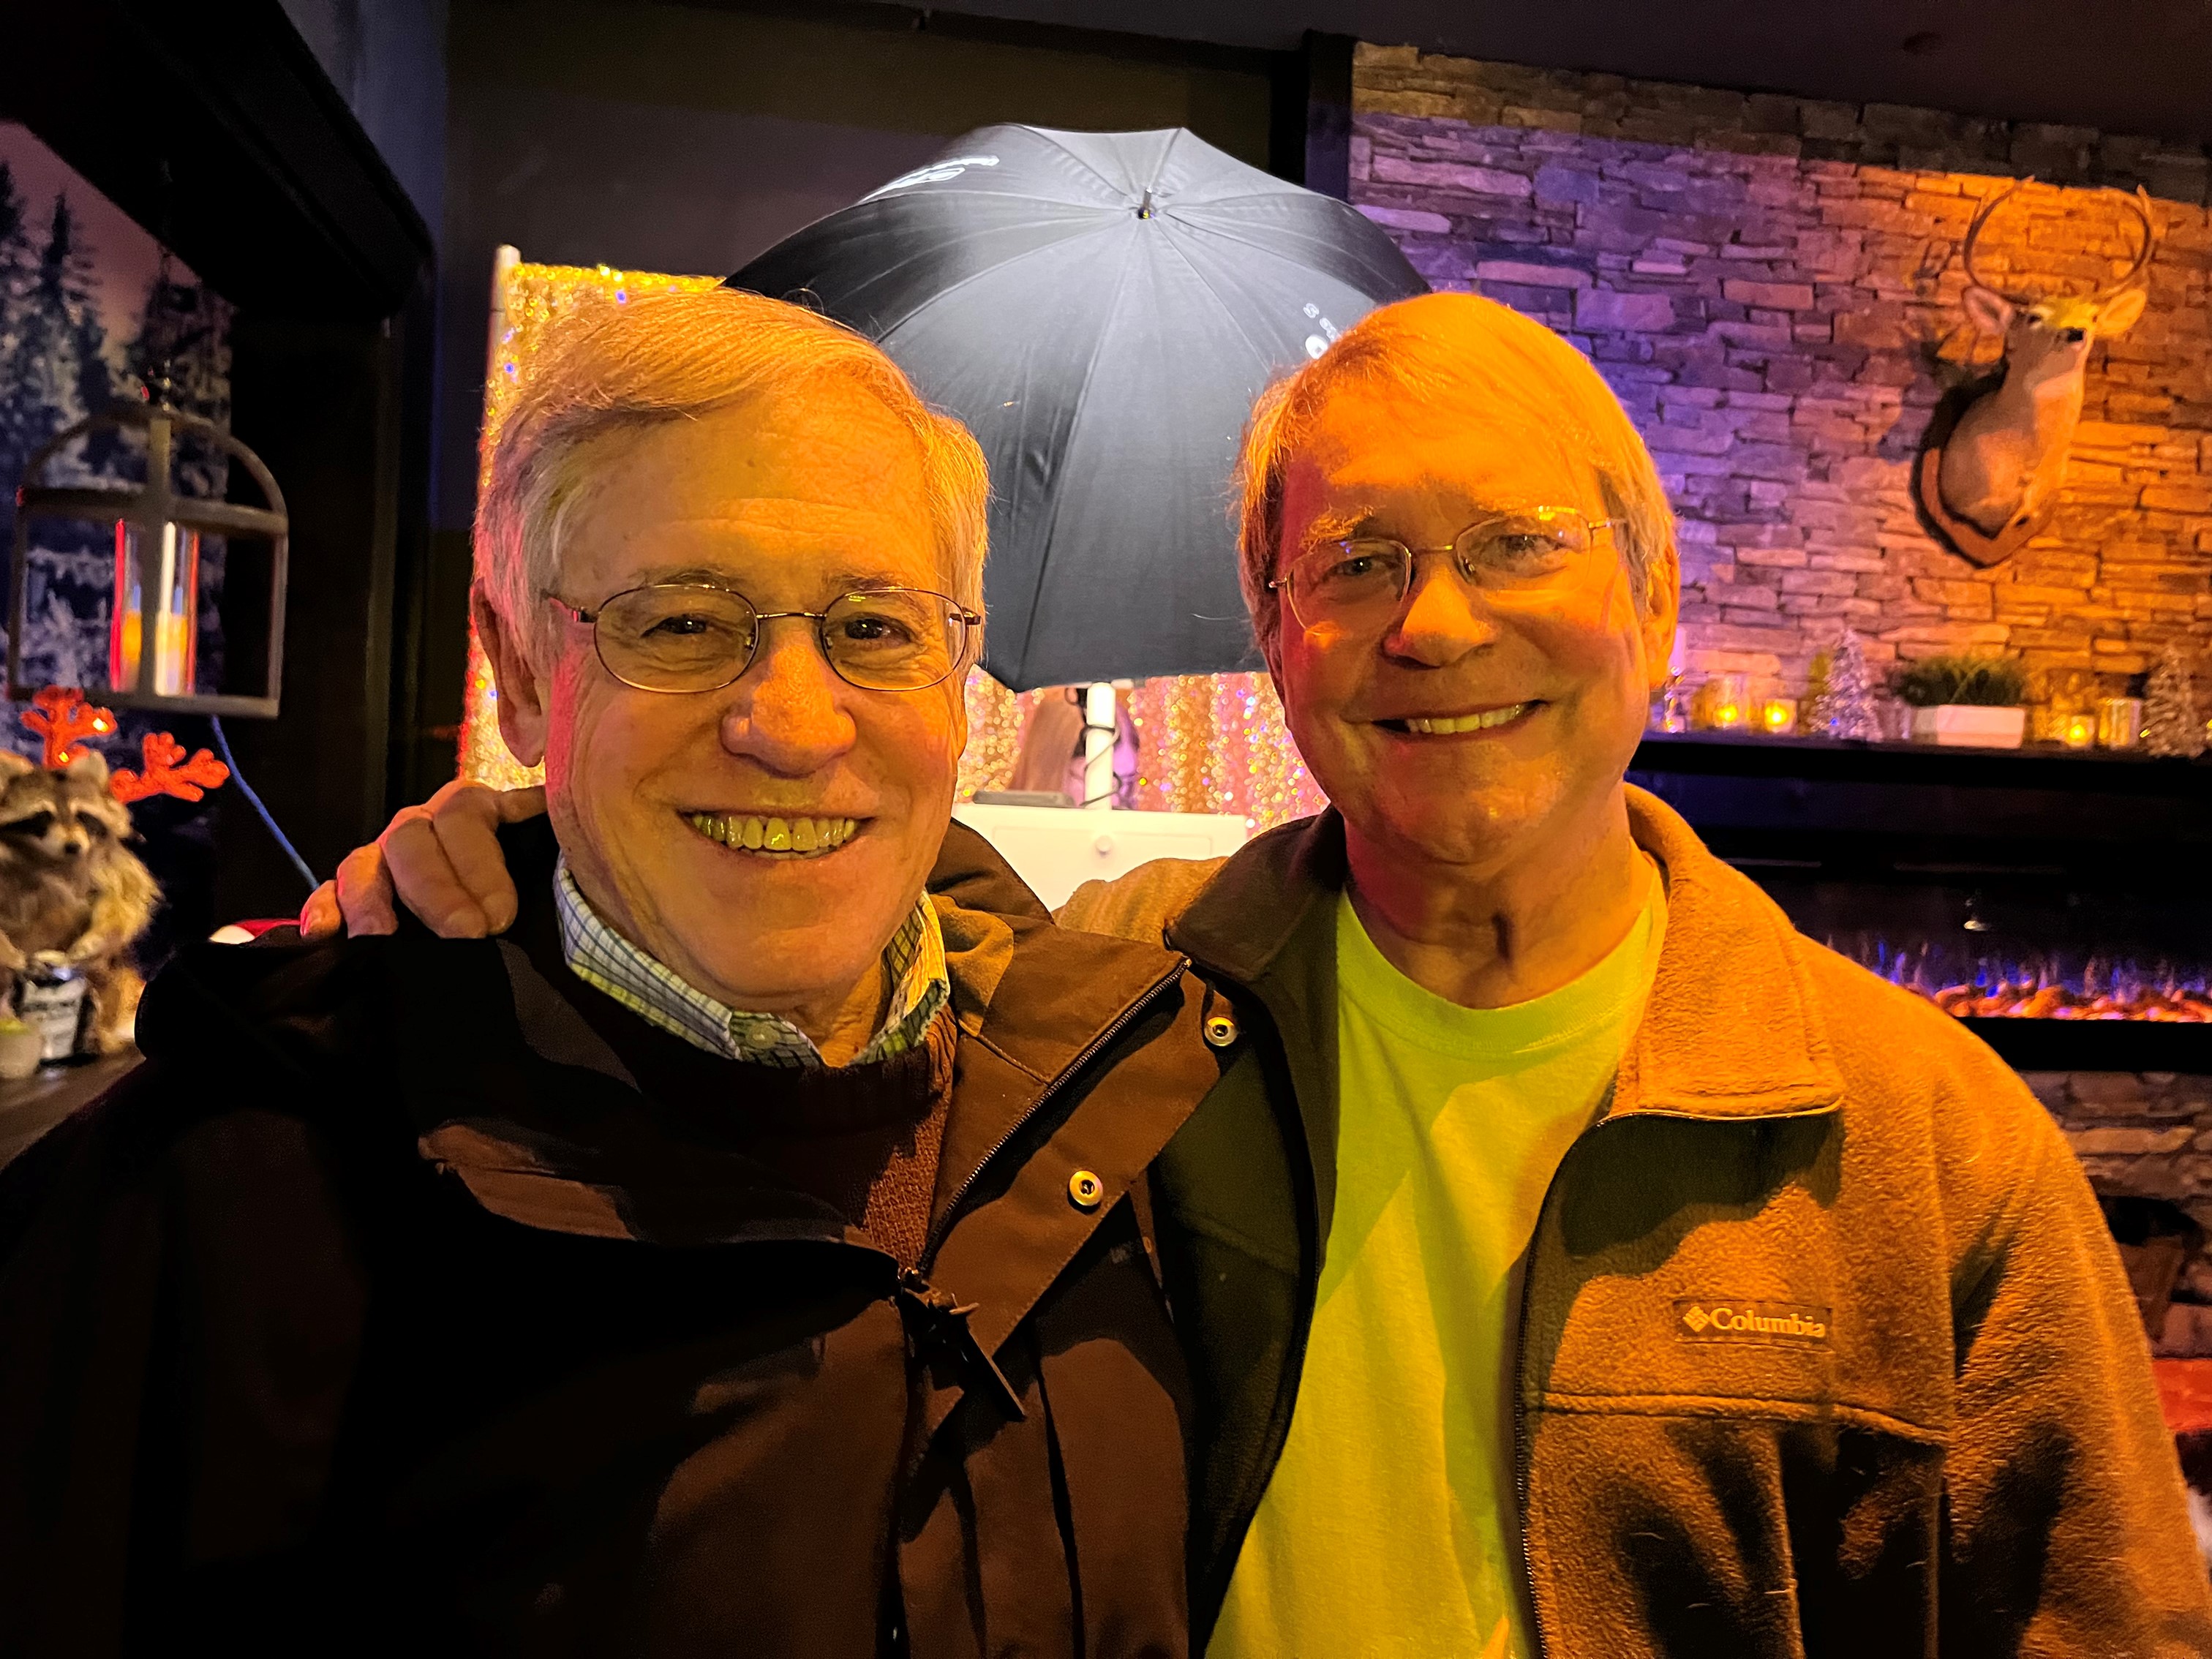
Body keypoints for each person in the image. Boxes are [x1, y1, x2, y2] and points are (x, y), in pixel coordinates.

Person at [312, 291, 2212, 1658]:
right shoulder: (1119, 1002)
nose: (1436, 622)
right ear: (1275, 642)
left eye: (1514, 545)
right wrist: (510, 856)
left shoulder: (1927, 1144)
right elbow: (814, 924)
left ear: (1656, 606)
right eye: (1359, 560)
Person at [0, 289, 1224, 1657]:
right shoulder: (241, 1191)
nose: (793, 724)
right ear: (520, 669)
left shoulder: (1139, 1109)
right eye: (683, 624)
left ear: (961, 676)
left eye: (874, 628)